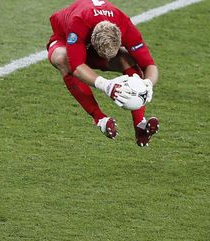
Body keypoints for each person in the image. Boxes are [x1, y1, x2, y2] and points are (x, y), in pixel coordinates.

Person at [47, 0, 160, 146]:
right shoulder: (79, 22)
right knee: (63, 60)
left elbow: (149, 65)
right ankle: (100, 119)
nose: (106, 60)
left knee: (129, 60)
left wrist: (148, 83)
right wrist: (106, 85)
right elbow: (76, 66)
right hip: (64, 39)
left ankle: (140, 124)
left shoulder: (125, 24)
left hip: (93, 35)